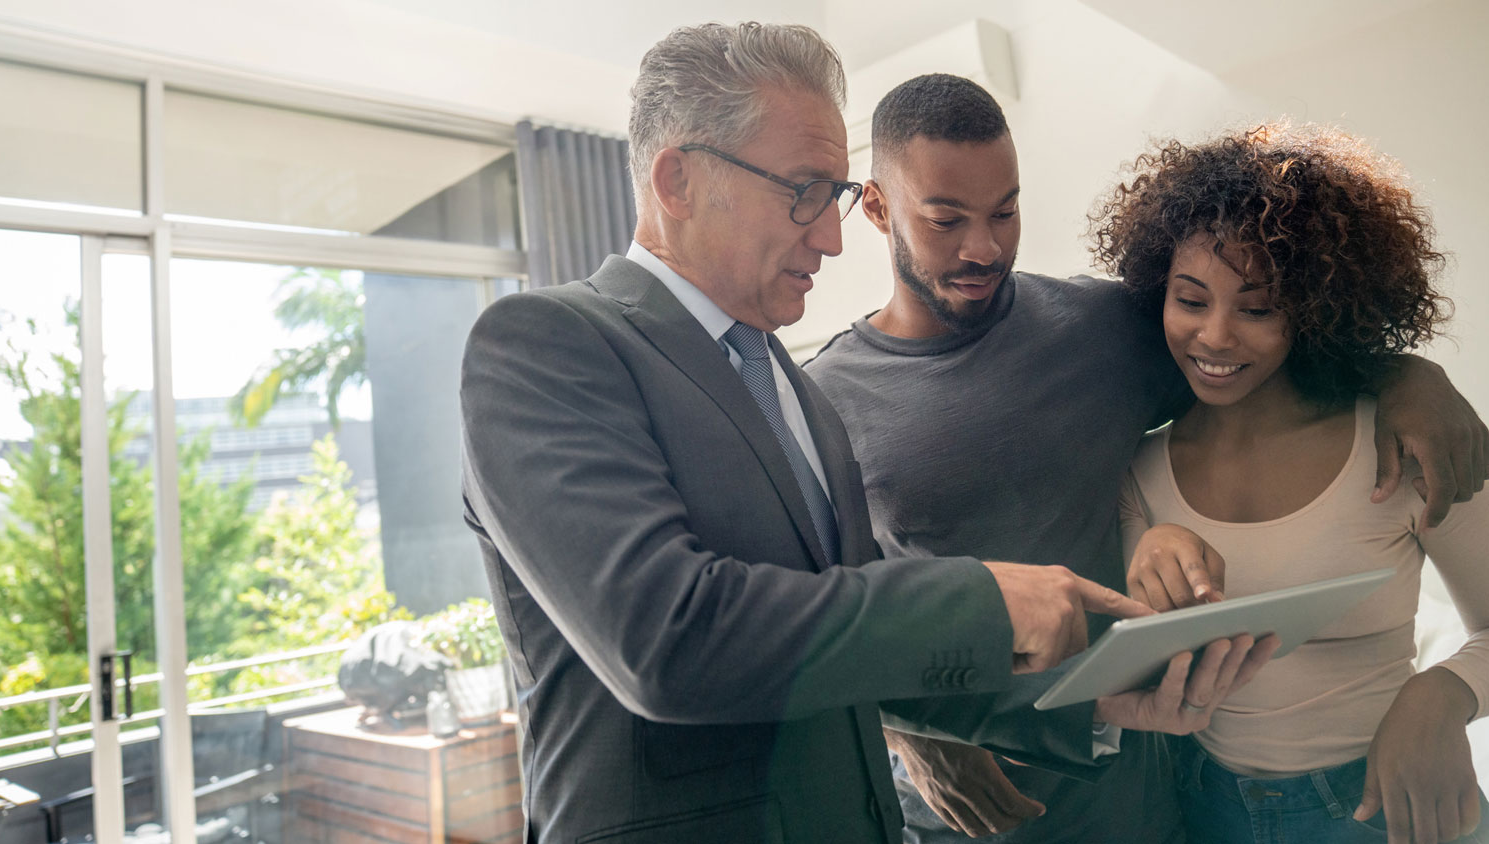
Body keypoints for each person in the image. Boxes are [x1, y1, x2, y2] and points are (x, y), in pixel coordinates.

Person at [459, 24, 1274, 844]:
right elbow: (667, 639)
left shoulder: (792, 388)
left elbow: (837, 657)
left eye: (837, 196)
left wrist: (1084, 702)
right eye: (804, 191)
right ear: (679, 179)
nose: (833, 236)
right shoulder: (543, 343)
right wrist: (985, 600)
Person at [803, 75, 1489, 844]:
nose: (985, 247)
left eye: (1006, 211)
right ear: (876, 207)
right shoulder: (819, 403)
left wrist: (1409, 374)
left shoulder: (1104, 326)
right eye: (945, 219)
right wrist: (908, 731)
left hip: (1150, 796)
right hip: (970, 810)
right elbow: (809, 624)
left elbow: (1270, 346)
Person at [1095, 122, 1489, 844]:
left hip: (1386, 803)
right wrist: (1148, 557)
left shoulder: (1402, 443)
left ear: (1313, 313)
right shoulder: (1136, 469)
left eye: (1257, 308)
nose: (1215, 337)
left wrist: (1443, 693)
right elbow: (1134, 669)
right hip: (1200, 808)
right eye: (1190, 300)